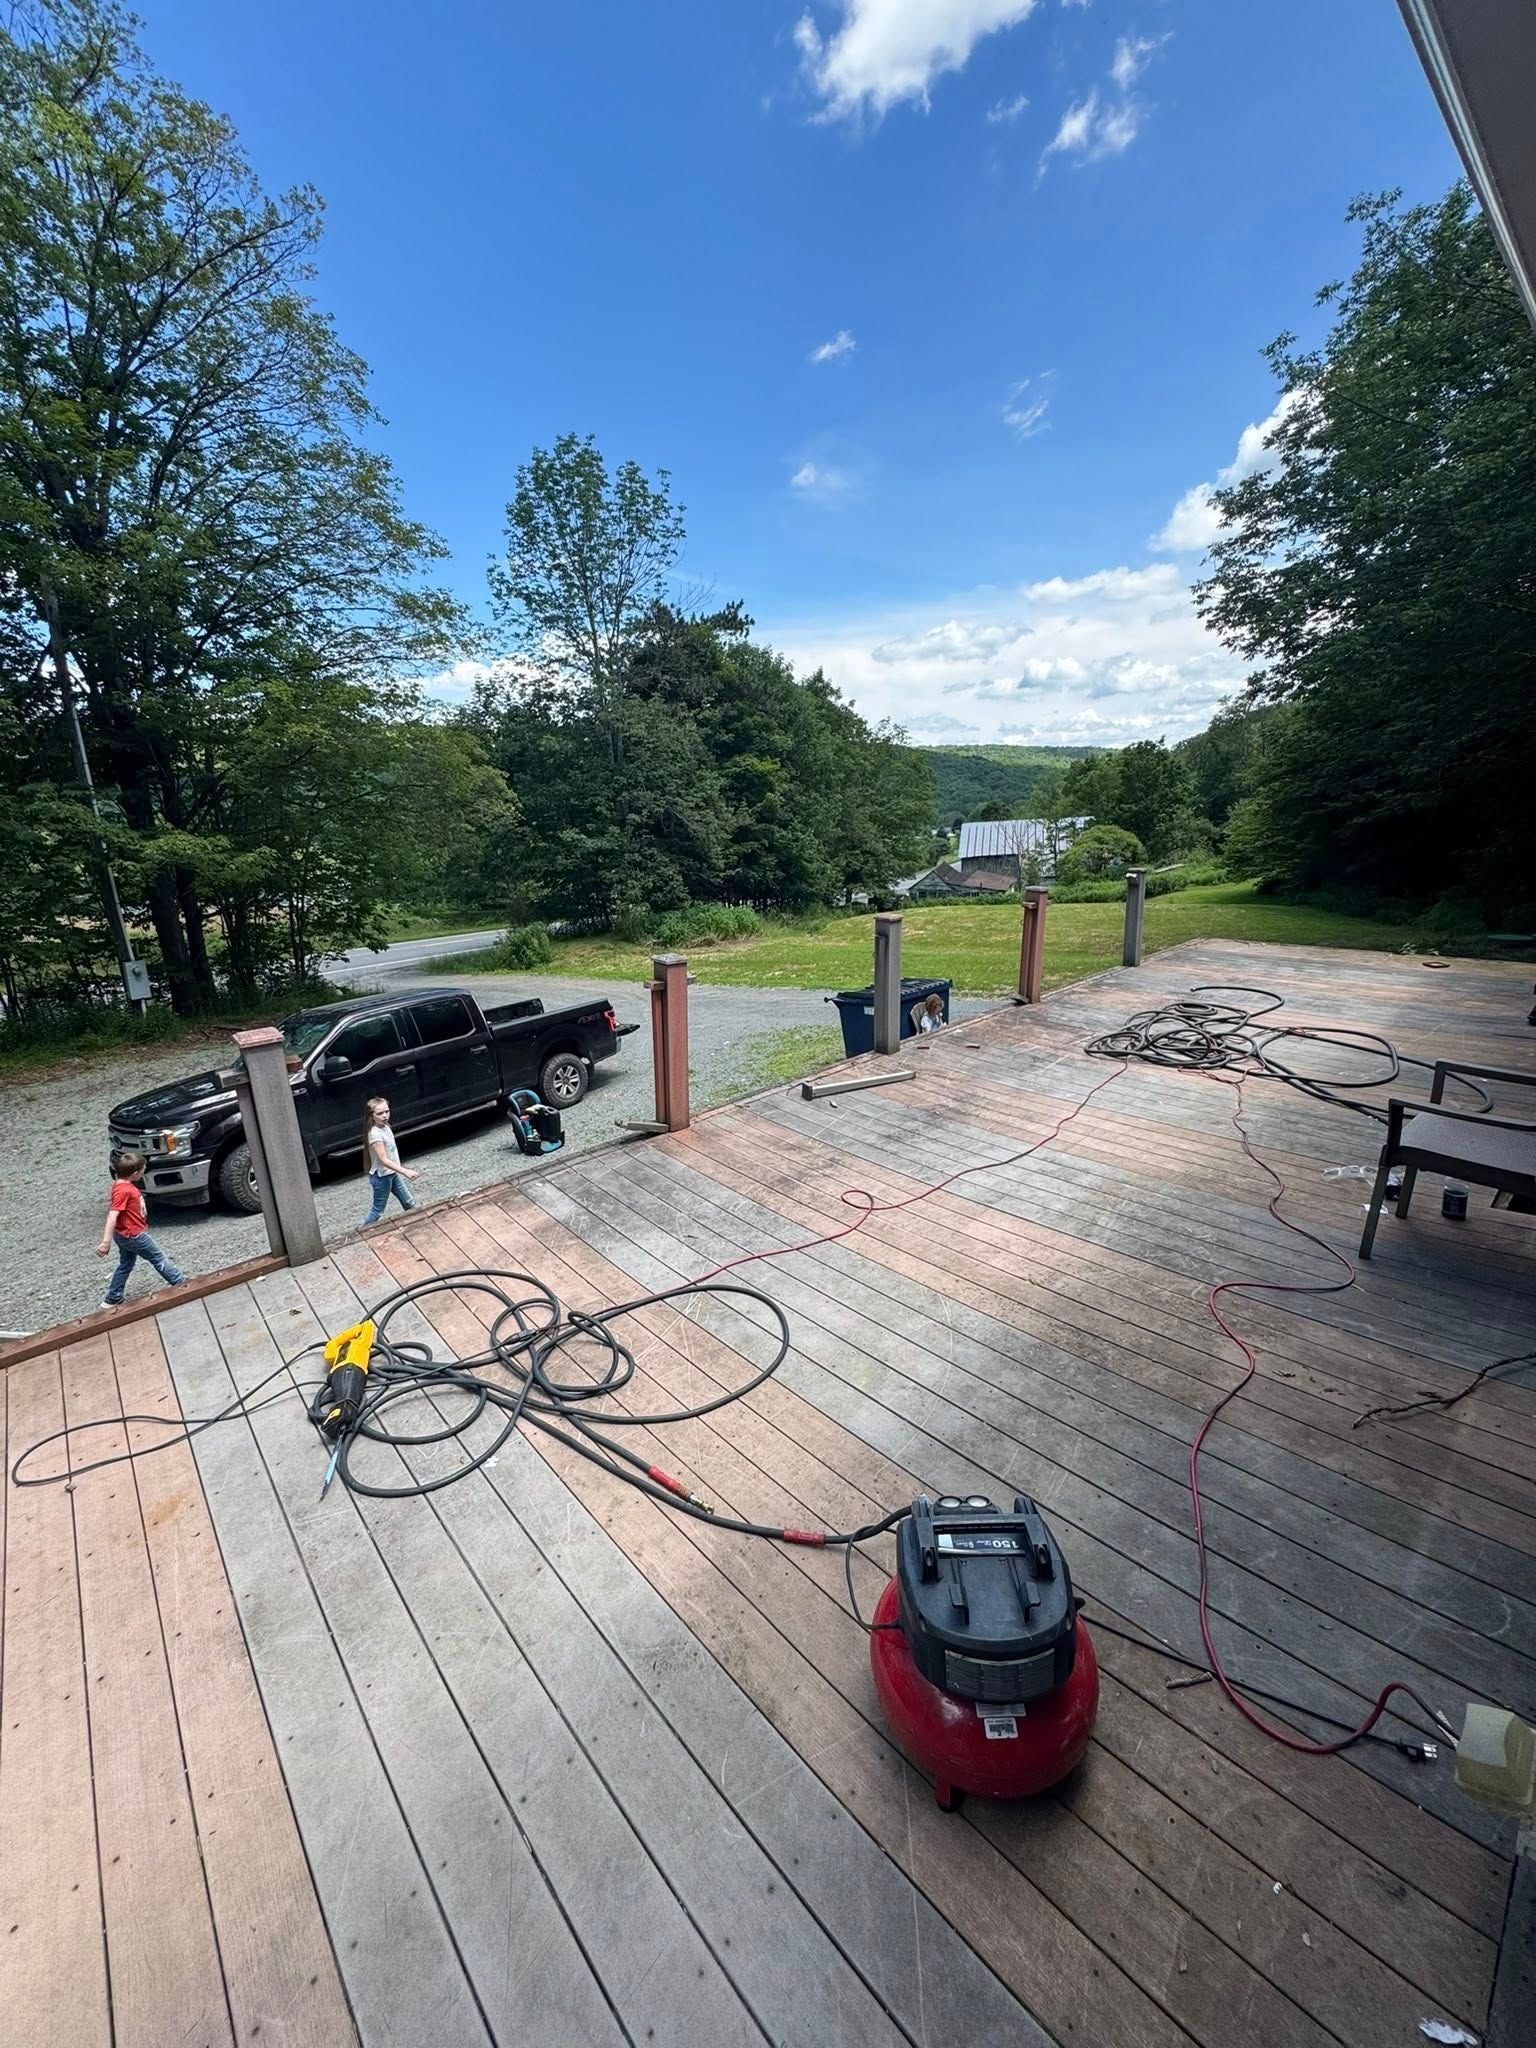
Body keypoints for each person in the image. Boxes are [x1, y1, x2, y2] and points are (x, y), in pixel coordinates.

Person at [97, 1151, 186, 1306]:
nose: (144, 1170)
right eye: (143, 1169)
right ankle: (182, 1284)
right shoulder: (124, 1191)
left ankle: (113, 1297)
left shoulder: (119, 1186)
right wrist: (106, 1242)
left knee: (126, 1264)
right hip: (134, 1235)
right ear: (135, 1173)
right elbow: (112, 1216)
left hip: (123, 1234)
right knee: (158, 1258)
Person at [362, 1095, 418, 1225]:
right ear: (371, 1116)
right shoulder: (375, 1134)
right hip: (382, 1177)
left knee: (408, 1202)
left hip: (391, 1173)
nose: (384, 1116)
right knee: (377, 1211)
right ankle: (365, 1230)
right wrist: (405, 1171)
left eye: (386, 1111)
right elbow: (383, 1160)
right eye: (380, 1113)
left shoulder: (386, 1127)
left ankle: (419, 1223)